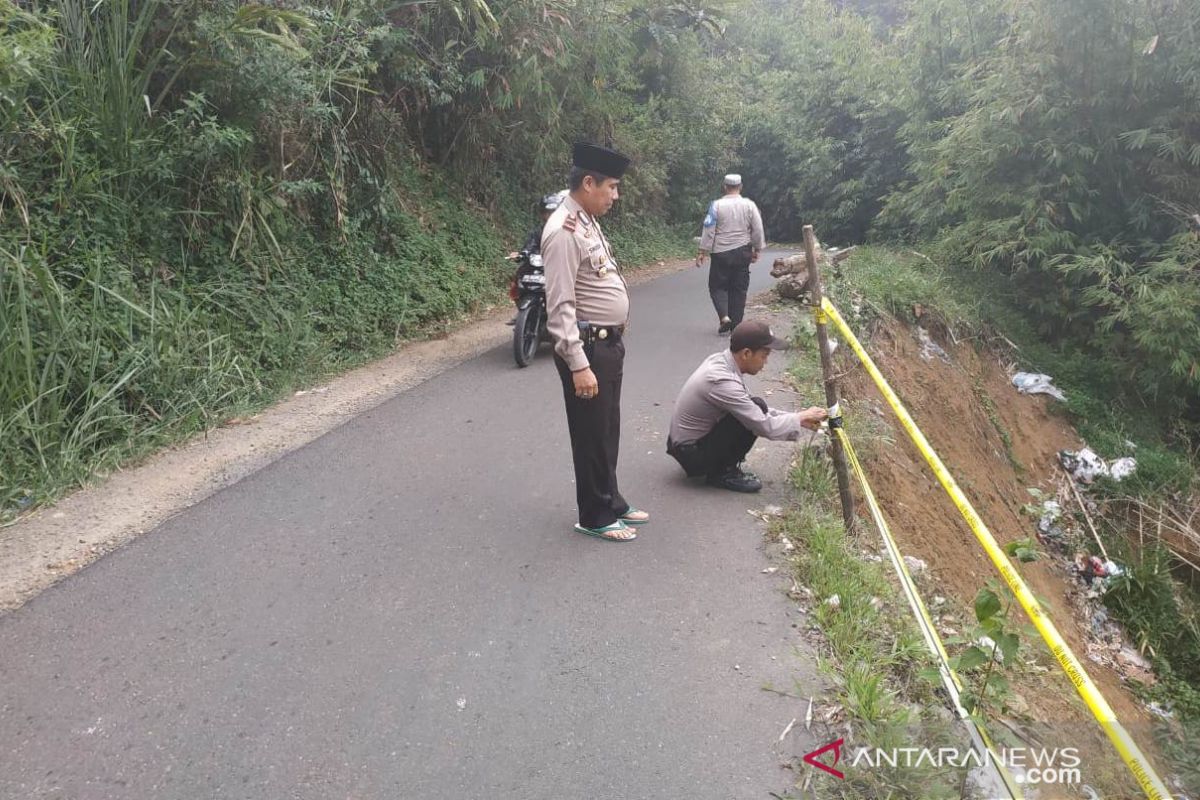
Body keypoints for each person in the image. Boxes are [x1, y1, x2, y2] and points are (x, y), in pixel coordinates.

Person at [542, 142, 649, 541]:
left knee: (607, 427)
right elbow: (561, 305)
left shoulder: (585, 220)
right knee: (590, 433)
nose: (615, 196)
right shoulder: (563, 231)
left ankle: (611, 499)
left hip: (606, 344)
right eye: (612, 187)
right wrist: (578, 363)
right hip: (586, 348)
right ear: (589, 183)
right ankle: (594, 515)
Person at [666, 320, 827, 492]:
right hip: (692, 455)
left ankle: (721, 467)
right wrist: (799, 418)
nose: (765, 363)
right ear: (746, 354)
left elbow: (749, 406)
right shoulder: (721, 381)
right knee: (754, 412)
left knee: (756, 406)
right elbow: (763, 424)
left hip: (686, 445)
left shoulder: (722, 362)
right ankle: (722, 472)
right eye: (764, 356)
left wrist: (799, 418)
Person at [695, 174, 766, 334]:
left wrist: (702, 251)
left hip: (721, 252)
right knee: (739, 288)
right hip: (742, 252)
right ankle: (736, 327)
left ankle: (724, 317)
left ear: (725, 187)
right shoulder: (749, 205)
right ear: (740, 187)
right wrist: (757, 249)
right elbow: (758, 228)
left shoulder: (716, 206)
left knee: (717, 286)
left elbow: (709, 228)